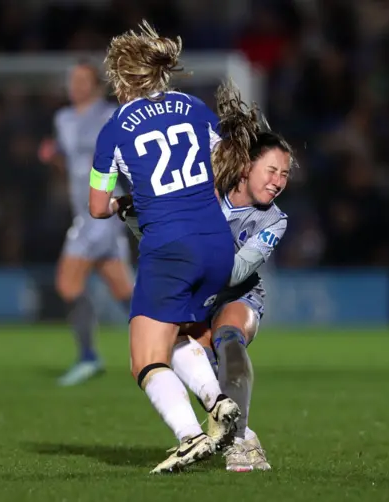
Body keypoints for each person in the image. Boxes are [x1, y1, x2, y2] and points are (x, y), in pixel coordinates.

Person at [119, 80, 295, 473]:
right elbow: (153, 235)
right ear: (247, 166)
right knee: (182, 358)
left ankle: (237, 438)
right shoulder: (202, 190)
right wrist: (137, 215)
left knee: (228, 339)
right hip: (195, 293)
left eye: (284, 174)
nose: (278, 181)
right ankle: (241, 437)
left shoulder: (274, 220)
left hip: (235, 294)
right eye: (272, 170)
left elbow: (234, 271)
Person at [88, 21, 240, 474]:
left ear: (122, 78)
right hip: (216, 241)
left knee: (144, 357)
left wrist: (125, 200)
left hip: (169, 248)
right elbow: (222, 168)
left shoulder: (113, 129)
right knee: (181, 334)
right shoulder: (194, 107)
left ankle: (189, 436)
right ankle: (220, 404)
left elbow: (97, 207)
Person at [39, 61, 134, 387]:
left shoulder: (111, 115)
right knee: (126, 292)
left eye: (82, 79)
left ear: (96, 84)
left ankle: (88, 357)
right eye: (72, 79)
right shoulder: (62, 119)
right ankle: (180, 343)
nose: (75, 85)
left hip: (102, 211)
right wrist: (54, 157)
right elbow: (69, 162)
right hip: (84, 211)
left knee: (67, 282)